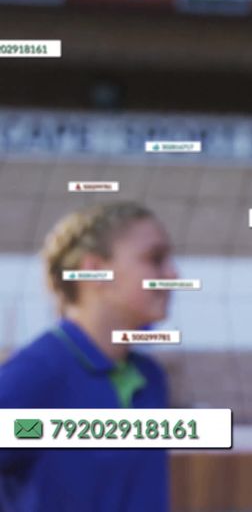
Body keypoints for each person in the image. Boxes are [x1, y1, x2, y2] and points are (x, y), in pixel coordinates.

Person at [0, 202, 176, 511]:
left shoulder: (150, 378)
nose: (173, 274)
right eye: (155, 259)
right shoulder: (34, 376)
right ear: (96, 270)